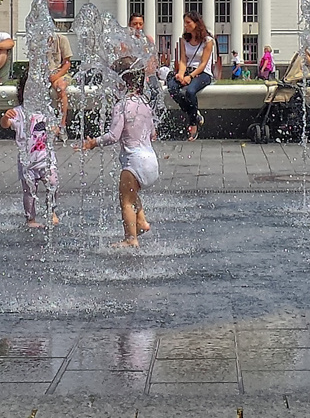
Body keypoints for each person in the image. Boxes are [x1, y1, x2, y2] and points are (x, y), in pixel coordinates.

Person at [78, 57, 157, 247]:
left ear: (122, 82)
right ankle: (142, 222)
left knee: (126, 201)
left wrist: (93, 143)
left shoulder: (122, 105)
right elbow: (153, 133)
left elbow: (113, 136)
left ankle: (131, 238)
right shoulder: (144, 104)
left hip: (134, 162)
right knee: (131, 193)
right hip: (151, 161)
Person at [3, 102, 58, 227]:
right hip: (27, 162)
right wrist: (5, 117)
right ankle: (30, 219)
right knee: (29, 191)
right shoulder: (18, 112)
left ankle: (51, 212)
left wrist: (55, 129)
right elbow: (5, 125)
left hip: (47, 160)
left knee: (53, 184)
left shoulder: (46, 109)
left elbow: (56, 127)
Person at [168, 13, 216, 141]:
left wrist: (190, 77)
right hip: (188, 71)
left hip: (203, 73)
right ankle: (194, 114)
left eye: (188, 22)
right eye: (184, 22)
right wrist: (181, 74)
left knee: (190, 91)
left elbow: (204, 63)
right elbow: (183, 60)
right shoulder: (185, 40)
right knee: (172, 88)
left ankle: (193, 124)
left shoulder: (208, 41)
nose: (185, 25)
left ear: (197, 23)